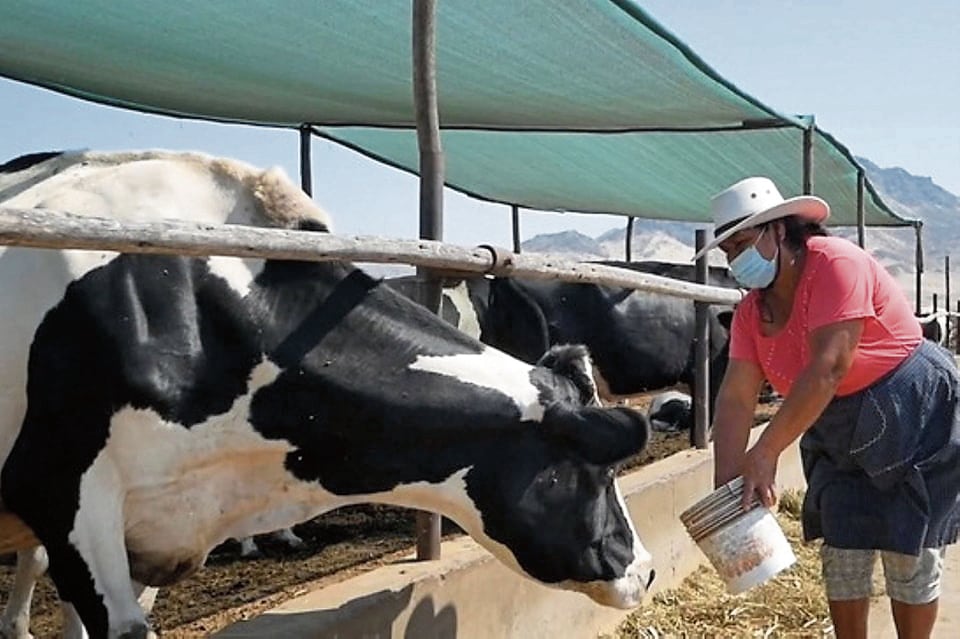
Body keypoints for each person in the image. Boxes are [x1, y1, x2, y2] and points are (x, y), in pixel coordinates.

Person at [693, 176, 960, 639]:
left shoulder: (837, 265)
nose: (736, 260)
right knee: (843, 548)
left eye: (743, 243)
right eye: (728, 251)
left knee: (908, 554)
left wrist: (766, 452)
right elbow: (736, 398)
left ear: (779, 230)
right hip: (828, 421)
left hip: (909, 408)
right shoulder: (752, 315)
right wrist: (730, 485)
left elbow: (829, 367)